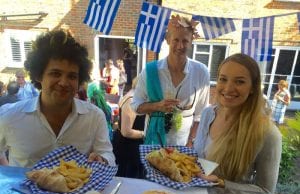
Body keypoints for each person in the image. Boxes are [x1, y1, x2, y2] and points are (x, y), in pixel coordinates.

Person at [0, 29, 115, 167]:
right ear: (38, 75)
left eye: (72, 76)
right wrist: (7, 175)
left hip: (80, 188)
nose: (64, 83)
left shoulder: (94, 117)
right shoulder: (10, 116)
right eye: (55, 73)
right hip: (22, 189)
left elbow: (107, 153)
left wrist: (102, 159)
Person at [193, 53, 282, 193]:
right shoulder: (207, 114)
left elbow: (266, 191)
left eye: (239, 82)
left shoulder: (268, 134)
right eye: (223, 79)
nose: (228, 88)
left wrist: (221, 183)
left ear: (253, 87)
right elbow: (199, 158)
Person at [132, 14, 210, 146]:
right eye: (176, 40)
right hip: (153, 143)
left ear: (191, 41)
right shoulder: (150, 71)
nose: (180, 46)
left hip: (184, 144)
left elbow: (201, 115)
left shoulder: (201, 72)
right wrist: (157, 106)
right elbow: (135, 106)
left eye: (185, 41)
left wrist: (191, 142)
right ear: (168, 40)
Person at [113, 77, 145, 178]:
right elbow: (126, 132)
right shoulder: (132, 100)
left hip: (128, 146)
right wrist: (145, 134)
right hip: (128, 148)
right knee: (128, 178)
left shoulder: (133, 95)